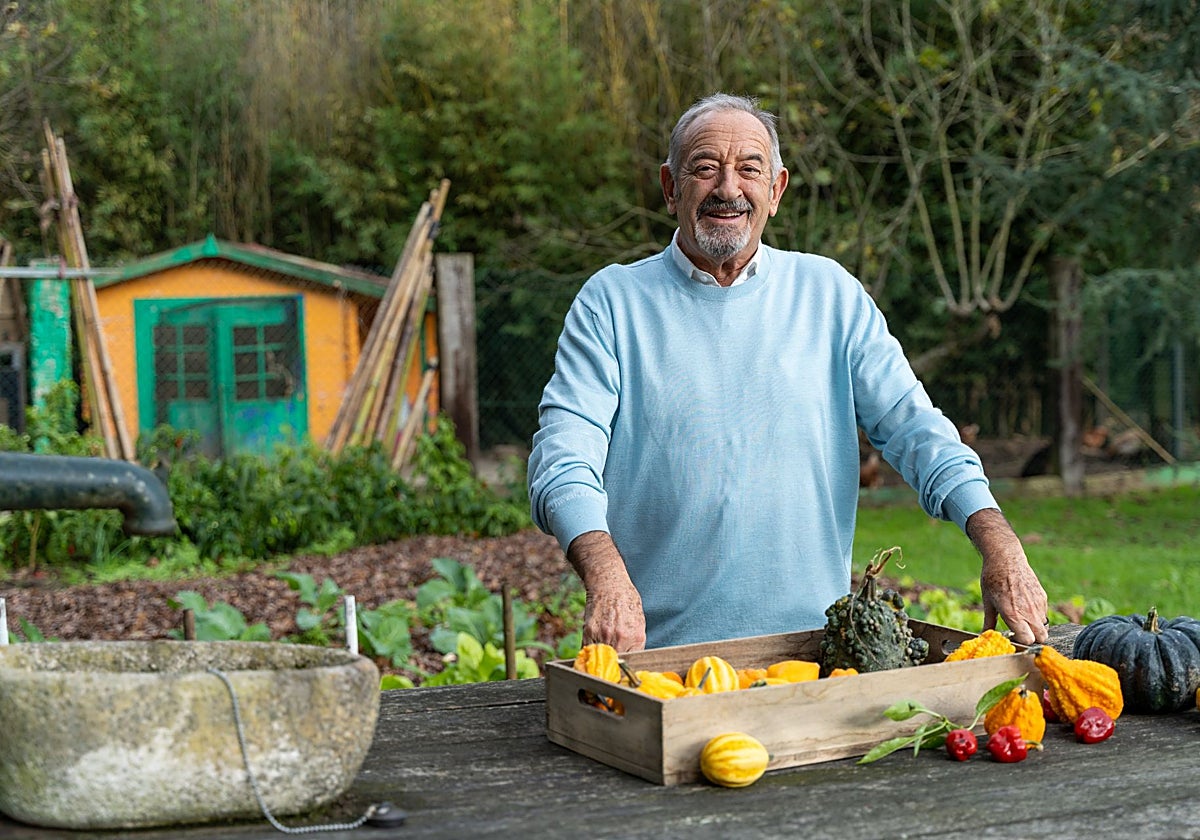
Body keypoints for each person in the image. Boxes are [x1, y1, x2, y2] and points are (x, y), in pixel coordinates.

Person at [527, 92, 1050, 652]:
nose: (728, 189)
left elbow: (916, 429)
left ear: (775, 191)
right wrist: (605, 576)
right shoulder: (611, 301)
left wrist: (1000, 544)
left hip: (812, 656)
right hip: (657, 659)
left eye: (749, 170)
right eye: (705, 169)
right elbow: (564, 459)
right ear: (670, 187)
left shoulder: (831, 296)